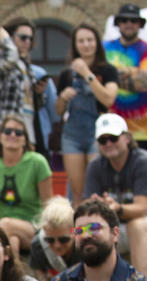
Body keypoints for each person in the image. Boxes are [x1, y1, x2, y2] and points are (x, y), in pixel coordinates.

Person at [83, 113, 147, 278]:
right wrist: (95, 208)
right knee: (84, 229)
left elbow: (142, 209)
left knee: (137, 225)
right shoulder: (95, 166)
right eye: (103, 140)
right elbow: (86, 208)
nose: (109, 143)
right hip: (117, 228)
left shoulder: (144, 161)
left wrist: (115, 208)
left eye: (113, 137)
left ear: (127, 138)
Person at [0, 113, 52, 257]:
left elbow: (48, 204)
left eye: (19, 132)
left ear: (25, 139)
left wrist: (50, 234)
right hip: (2, 228)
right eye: (7, 131)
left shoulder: (38, 162)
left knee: (6, 225)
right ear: (0, 136)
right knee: (12, 240)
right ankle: (16, 277)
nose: (13, 135)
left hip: (33, 227)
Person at [57, 23, 119, 204]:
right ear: (75, 45)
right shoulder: (67, 74)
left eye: (90, 40)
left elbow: (108, 99)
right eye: (81, 41)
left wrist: (87, 73)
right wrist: (62, 97)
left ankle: (97, 230)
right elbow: (59, 111)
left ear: (97, 43)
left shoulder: (108, 70)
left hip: (98, 134)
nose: (86, 44)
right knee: (77, 192)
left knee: (95, 192)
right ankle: (79, 231)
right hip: (72, 135)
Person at [105, 3, 147, 158]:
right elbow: (98, 77)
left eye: (133, 21)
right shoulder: (105, 48)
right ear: (118, 23)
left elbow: (143, 83)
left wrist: (112, 75)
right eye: (124, 20)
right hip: (112, 128)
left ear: (140, 24)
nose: (128, 24)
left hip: (143, 129)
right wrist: (133, 72)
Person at [0, 17, 44, 154]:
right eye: (23, 37)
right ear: (10, 37)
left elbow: (30, 103)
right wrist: (6, 41)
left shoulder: (26, 66)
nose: (28, 42)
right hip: (7, 131)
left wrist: (39, 93)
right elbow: (10, 60)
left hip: (28, 130)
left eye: (30, 39)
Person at [29, 196, 79, 281]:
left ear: (74, 232)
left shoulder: (86, 241)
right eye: (50, 240)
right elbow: (40, 276)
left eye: (63, 240)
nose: (57, 245)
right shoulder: (38, 244)